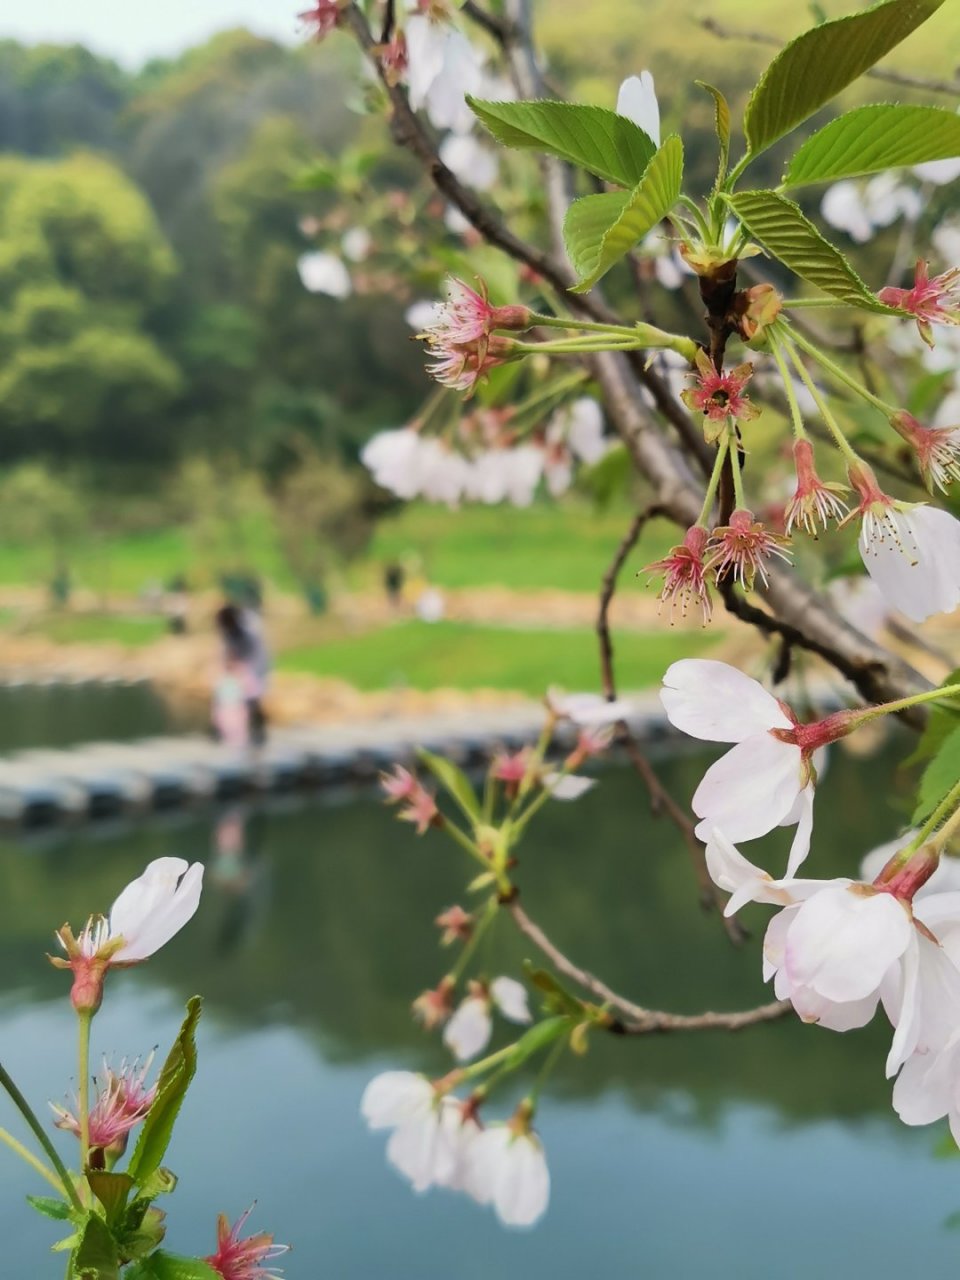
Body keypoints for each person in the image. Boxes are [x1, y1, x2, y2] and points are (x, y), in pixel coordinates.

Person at [213, 603, 271, 745]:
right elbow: (229, 654)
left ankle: (259, 734)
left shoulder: (246, 632)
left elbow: (251, 654)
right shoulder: (231, 633)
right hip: (244, 671)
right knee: (240, 702)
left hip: (253, 669)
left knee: (252, 701)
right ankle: (249, 735)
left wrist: (239, 668)